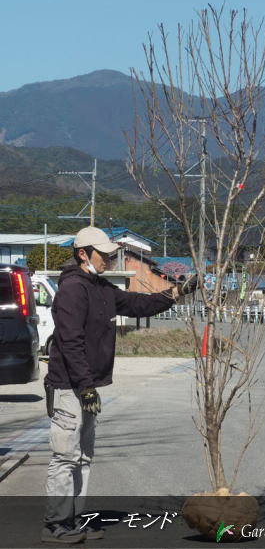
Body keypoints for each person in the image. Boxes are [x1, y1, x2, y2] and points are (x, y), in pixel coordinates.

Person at [42, 226, 196, 544]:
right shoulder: (72, 289)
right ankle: (55, 524)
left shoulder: (99, 287)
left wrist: (176, 293)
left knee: (83, 457)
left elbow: (136, 305)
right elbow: (70, 342)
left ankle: (72, 519)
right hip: (69, 387)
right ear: (83, 253)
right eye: (105, 255)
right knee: (66, 457)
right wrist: (85, 388)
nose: (110, 260)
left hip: (86, 386)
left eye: (112, 255)